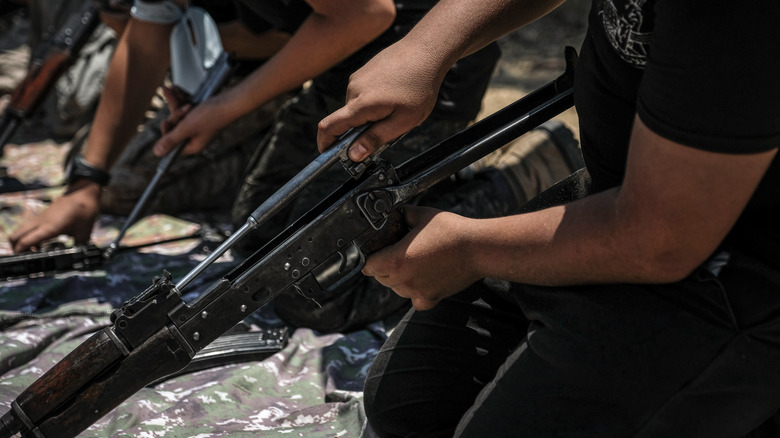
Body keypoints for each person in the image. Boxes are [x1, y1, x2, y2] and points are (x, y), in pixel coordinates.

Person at [317, 0, 780, 435]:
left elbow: (662, 236)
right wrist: (425, 48)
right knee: (405, 408)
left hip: (732, 266)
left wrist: (468, 248)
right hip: (615, 194)